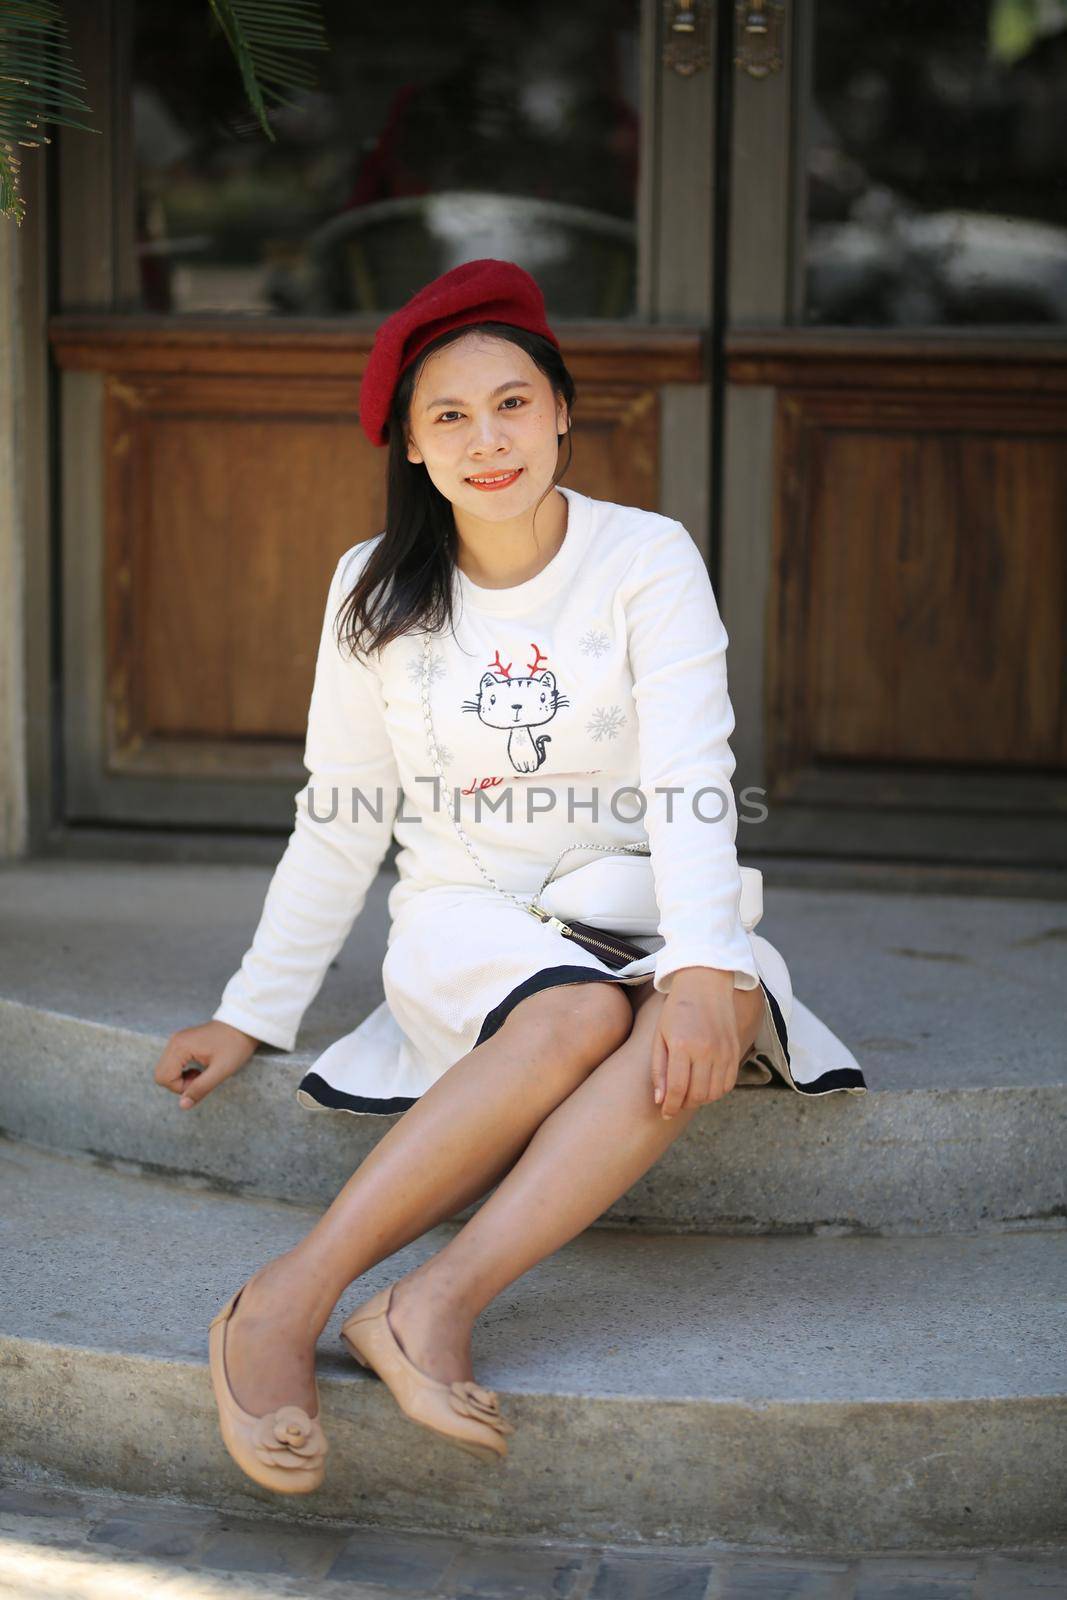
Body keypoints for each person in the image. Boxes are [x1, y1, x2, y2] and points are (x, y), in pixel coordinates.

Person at [152, 257, 866, 1493]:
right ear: (411, 448)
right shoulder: (371, 589)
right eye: (451, 416)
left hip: (634, 899)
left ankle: (429, 1302)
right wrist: (252, 1007)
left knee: (723, 999)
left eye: (513, 403)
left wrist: (704, 961)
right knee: (579, 1008)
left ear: (562, 413)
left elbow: (696, 774)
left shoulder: (645, 556)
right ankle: (284, 1298)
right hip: (465, 914)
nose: (489, 440)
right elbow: (343, 815)